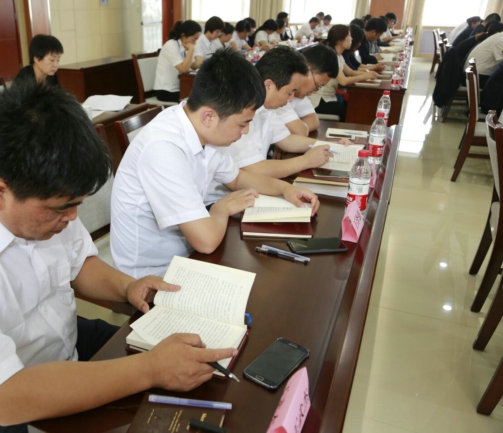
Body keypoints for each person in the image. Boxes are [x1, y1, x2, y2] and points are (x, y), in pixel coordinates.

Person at [0, 82, 238, 432]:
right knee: (161, 379)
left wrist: (127, 287)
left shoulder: (43, 194)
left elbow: (79, 264)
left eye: (76, 205)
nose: (71, 218)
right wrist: (151, 369)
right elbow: (5, 398)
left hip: (61, 341)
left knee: (196, 372)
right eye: (63, 208)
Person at [110, 48, 319, 278]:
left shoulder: (203, 129)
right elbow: (206, 241)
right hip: (154, 272)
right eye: (242, 124)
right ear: (209, 116)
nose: (245, 131)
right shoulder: (164, 148)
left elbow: (237, 178)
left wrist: (285, 189)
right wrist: (222, 208)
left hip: (188, 252)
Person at [206, 46, 347, 204]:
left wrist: (328, 146)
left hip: (245, 192)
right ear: (269, 86)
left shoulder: (266, 108)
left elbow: (287, 140)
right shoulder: (239, 109)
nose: (291, 99)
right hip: (220, 200)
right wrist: (306, 161)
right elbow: (254, 169)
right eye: (289, 93)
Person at [311, 25, 379, 122]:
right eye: (349, 36)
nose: (352, 38)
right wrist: (365, 76)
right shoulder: (332, 56)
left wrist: (369, 72)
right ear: (340, 41)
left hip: (330, 97)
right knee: (349, 110)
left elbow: (350, 72)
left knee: (353, 105)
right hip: (320, 100)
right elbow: (343, 81)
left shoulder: (339, 56)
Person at [274, 44, 340, 136]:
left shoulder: (299, 94)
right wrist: (300, 128)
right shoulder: (280, 88)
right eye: (317, 86)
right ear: (306, 70)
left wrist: (301, 128)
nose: (315, 91)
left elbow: (314, 121)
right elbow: (299, 131)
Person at [153, 20, 201, 103]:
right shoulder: (171, 45)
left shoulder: (184, 46)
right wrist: (191, 50)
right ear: (183, 36)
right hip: (166, 91)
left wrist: (199, 60)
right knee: (198, 99)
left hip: (179, 88)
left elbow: (193, 66)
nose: (195, 43)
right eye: (193, 39)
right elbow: (183, 69)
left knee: (202, 95)